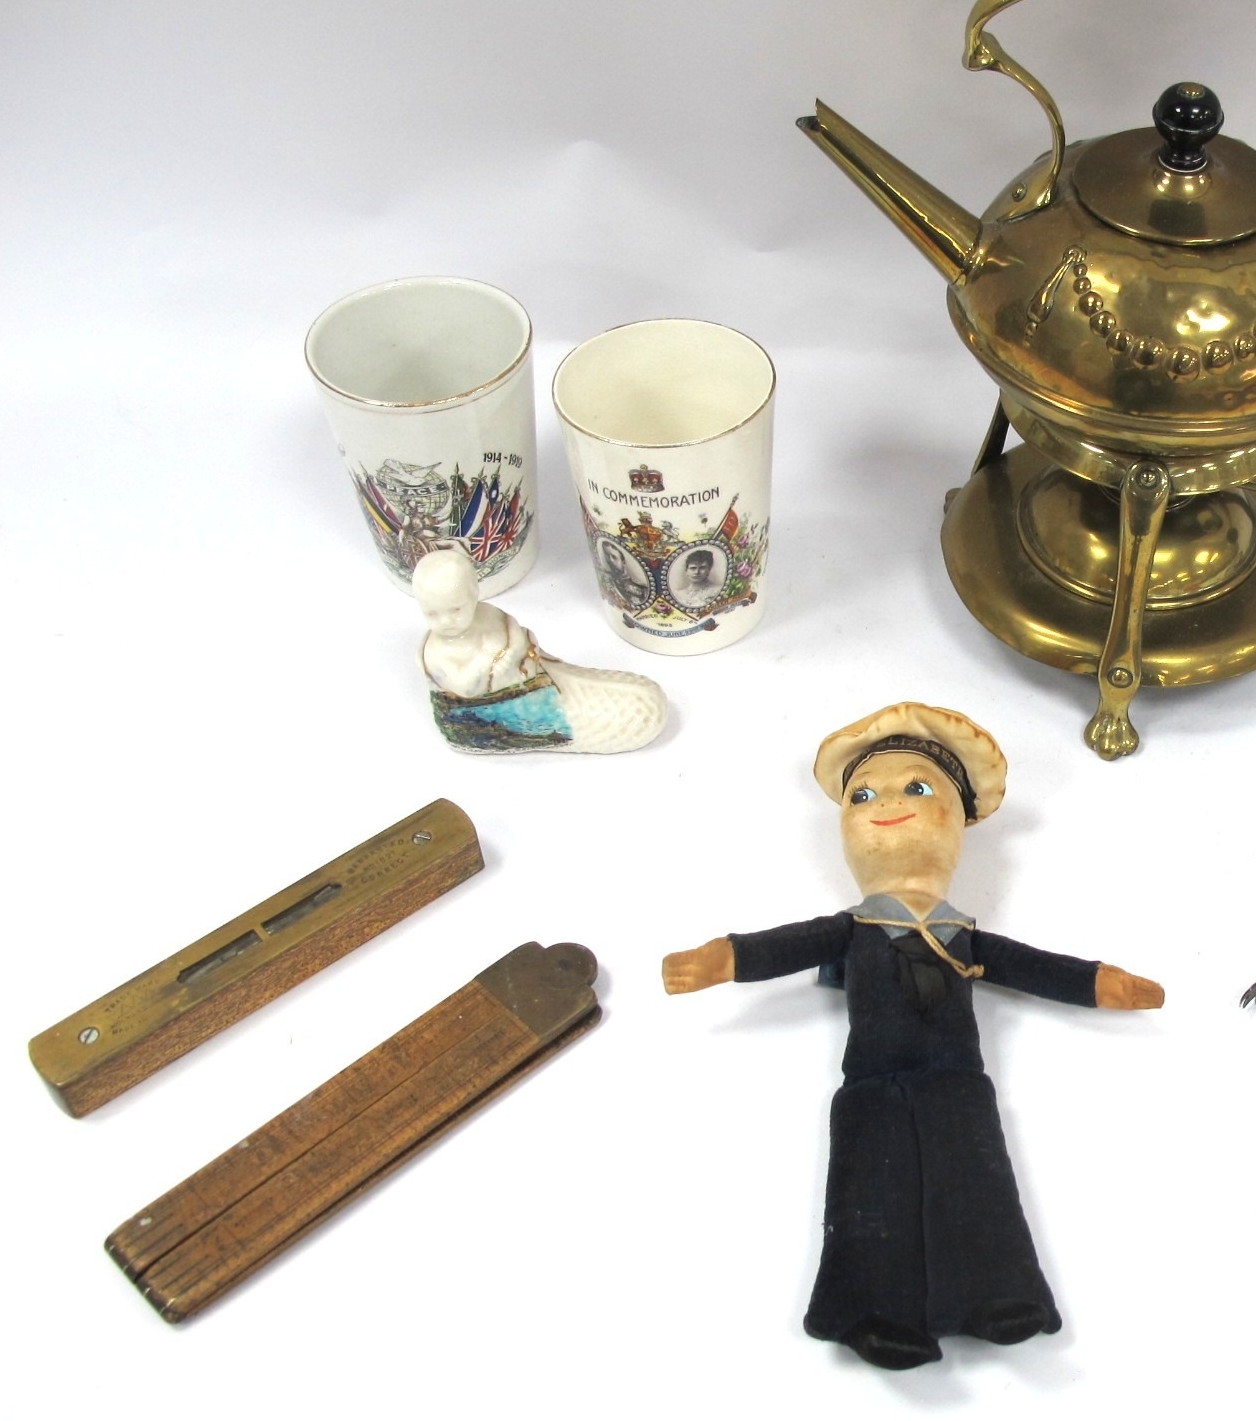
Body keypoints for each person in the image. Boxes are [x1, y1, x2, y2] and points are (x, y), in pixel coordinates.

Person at [662, 703, 1162, 1370]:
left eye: (916, 787)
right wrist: (723, 958)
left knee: (977, 1183)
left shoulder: (963, 935)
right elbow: (785, 945)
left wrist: (1099, 982)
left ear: (956, 819)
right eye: (862, 795)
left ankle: (996, 1293)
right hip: (871, 1084)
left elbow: (1031, 965)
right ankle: (869, 1313)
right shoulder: (854, 928)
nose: (887, 804)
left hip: (958, 1082)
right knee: (869, 1197)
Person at [413, 544, 667, 754]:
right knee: (609, 712)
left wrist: (515, 650)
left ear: (474, 593)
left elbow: (514, 629)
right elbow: (467, 688)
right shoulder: (436, 653)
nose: (446, 621)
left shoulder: (486, 613)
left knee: (590, 685)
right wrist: (496, 662)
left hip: (534, 671)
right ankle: (575, 724)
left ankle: (596, 696)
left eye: (456, 609)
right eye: (432, 614)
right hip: (499, 708)